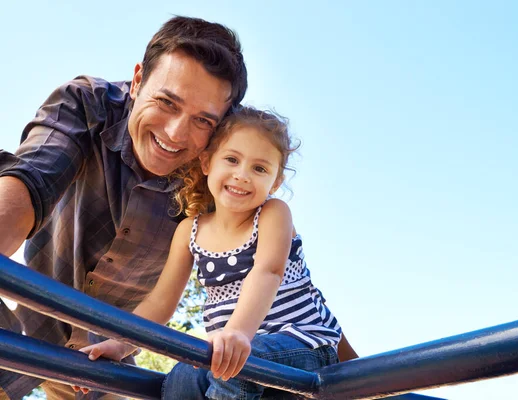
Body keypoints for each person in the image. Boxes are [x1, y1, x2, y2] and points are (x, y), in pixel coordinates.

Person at [0, 15, 247, 400]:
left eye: (202, 120)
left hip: (105, 356)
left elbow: (272, 263)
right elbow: (33, 178)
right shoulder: (87, 104)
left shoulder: (218, 174)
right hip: (27, 322)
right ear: (137, 81)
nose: (175, 134)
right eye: (167, 102)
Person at [76, 107, 342, 399]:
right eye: (231, 159)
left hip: (305, 343)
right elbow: (160, 300)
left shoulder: (273, 213)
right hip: (230, 348)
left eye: (260, 168)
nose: (242, 175)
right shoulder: (190, 230)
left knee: (242, 365)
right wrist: (122, 343)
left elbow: (269, 271)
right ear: (206, 163)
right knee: (181, 376)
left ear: (275, 182)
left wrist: (239, 333)